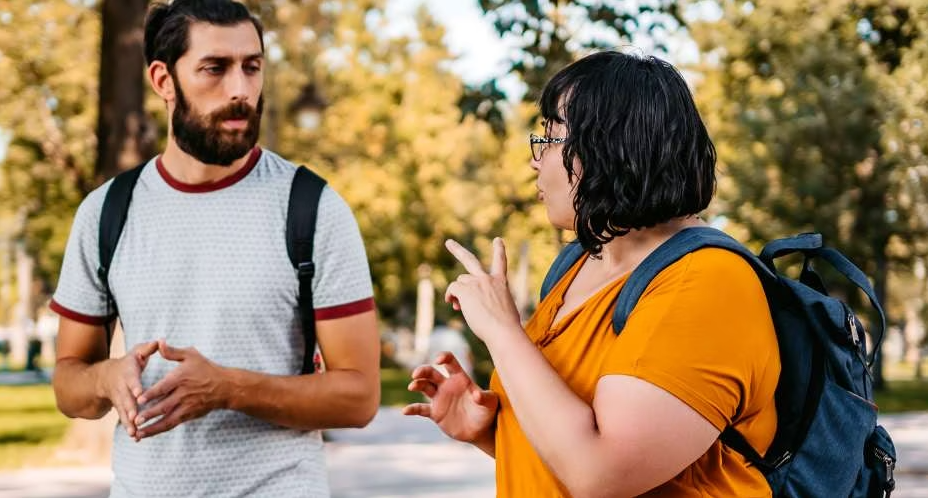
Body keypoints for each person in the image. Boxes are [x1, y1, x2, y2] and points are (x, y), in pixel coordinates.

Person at [404, 51, 781, 497]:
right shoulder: (579, 264)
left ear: (613, 145)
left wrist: (502, 331)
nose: (535, 161)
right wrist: (491, 432)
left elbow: (602, 474)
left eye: (550, 137)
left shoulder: (707, 282)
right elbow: (565, 448)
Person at [50, 1, 379, 496]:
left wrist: (228, 388)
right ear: (163, 80)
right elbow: (68, 383)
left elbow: (358, 397)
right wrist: (105, 380)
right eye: (215, 69)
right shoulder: (105, 213)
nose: (241, 90)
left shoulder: (312, 208)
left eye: (252, 67)